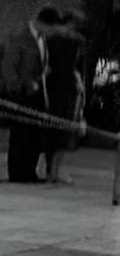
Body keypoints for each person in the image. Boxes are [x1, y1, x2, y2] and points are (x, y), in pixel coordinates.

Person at [1, 6, 57, 183]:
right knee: (20, 136)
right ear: (41, 23)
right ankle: (17, 173)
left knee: (34, 136)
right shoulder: (20, 37)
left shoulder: (42, 39)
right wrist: (19, 85)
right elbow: (9, 66)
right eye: (49, 28)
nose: (50, 32)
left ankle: (29, 172)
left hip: (38, 94)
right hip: (22, 94)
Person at [44, 10, 87, 183]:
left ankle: (50, 171)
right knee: (62, 133)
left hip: (54, 87)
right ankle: (53, 171)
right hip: (67, 89)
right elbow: (79, 68)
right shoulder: (76, 41)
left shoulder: (50, 39)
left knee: (54, 131)